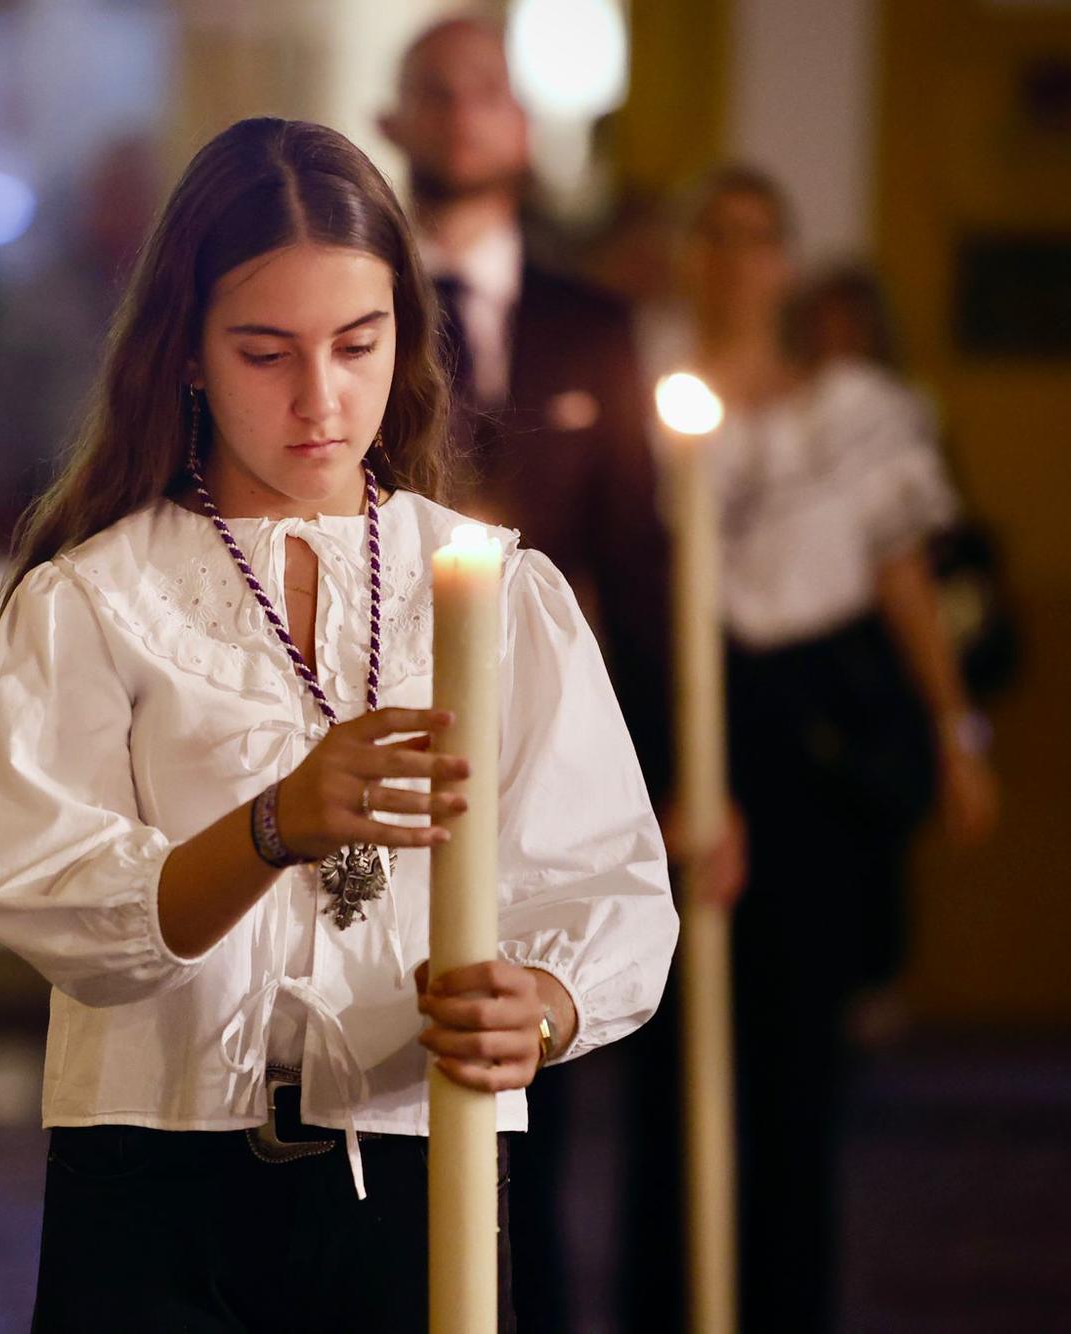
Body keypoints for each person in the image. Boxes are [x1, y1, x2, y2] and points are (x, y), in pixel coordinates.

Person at [0, 117, 678, 1331]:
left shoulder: (491, 589)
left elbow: (606, 882)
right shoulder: (94, 597)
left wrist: (543, 1005)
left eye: (358, 344)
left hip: (412, 1163)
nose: (318, 399)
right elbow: (38, 891)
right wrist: (267, 827)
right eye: (264, 352)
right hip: (152, 1176)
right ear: (184, 353)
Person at [621, 167, 999, 1334]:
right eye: (712, 236)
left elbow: (902, 578)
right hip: (672, 727)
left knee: (796, 1078)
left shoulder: (858, 415)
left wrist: (953, 734)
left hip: (810, 752)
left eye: (756, 238)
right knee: (665, 1053)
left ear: (784, 261)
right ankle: (669, 1302)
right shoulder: (640, 393)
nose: (734, 260)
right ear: (686, 258)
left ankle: (783, 1304)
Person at [381, 20, 718, 1329]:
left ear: (525, 127)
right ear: (396, 119)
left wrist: (686, 780)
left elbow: (642, 567)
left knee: (536, 1086)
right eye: (436, 94)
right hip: (384, 737)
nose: (464, 117)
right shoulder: (354, 311)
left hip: (552, 757)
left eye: (490, 95)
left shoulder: (598, 324)